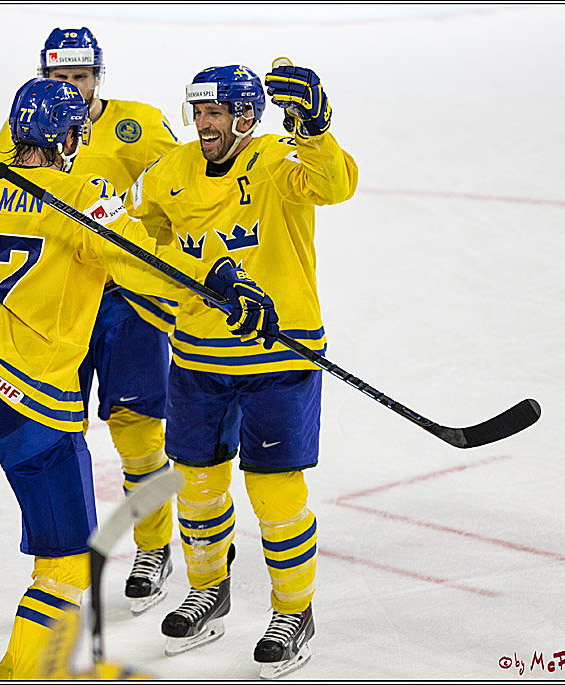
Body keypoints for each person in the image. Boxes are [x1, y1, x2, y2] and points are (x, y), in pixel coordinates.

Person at [0, 77, 278, 679]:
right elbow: (150, 266)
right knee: (64, 565)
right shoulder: (85, 199)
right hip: (33, 411)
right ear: (67, 139)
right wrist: (217, 280)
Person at [0, 26, 184, 616]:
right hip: (51, 305)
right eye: (61, 77)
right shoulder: (23, 127)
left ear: (98, 76)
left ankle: (153, 546)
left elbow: (179, 196)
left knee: (137, 431)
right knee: (51, 431)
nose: (72, 87)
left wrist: (179, 268)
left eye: (81, 77)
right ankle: (60, 553)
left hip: (129, 302)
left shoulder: (140, 124)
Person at [125, 60, 358, 678]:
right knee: (197, 486)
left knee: (274, 492)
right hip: (197, 359)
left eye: (216, 113)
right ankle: (208, 592)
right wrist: (184, 293)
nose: (204, 124)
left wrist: (314, 128)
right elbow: (135, 245)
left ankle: (293, 612)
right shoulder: (169, 172)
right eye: (198, 112)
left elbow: (334, 184)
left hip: (281, 357)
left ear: (247, 116)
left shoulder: (279, 159)